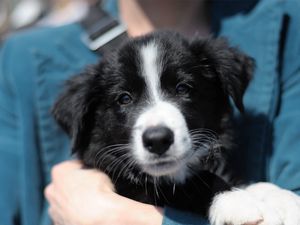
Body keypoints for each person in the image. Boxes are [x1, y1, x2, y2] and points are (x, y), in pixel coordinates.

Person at [1, 0, 300, 225]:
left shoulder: (288, 24)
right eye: (124, 98)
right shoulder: (23, 58)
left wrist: (113, 216)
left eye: (183, 89)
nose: (156, 128)